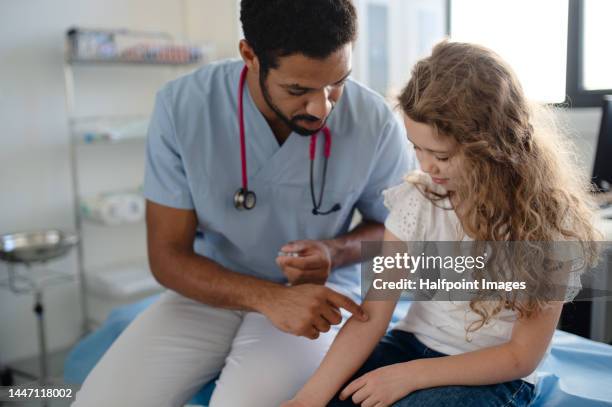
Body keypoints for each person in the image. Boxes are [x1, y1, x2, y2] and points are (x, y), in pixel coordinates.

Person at [72, 1, 414, 406]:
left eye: (337, 82)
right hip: (211, 288)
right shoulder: (184, 109)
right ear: (249, 56)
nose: (323, 107)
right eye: (298, 90)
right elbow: (166, 256)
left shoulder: (373, 121)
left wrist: (333, 250)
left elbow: (395, 233)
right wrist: (269, 297)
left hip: (315, 294)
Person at [283, 41, 600, 407]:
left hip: (491, 372)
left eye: (442, 155)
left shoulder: (546, 224)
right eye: (417, 148)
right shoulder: (416, 201)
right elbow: (372, 315)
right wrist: (308, 399)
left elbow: (521, 356)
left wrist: (409, 376)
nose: (426, 167)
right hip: (410, 346)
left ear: (492, 147)